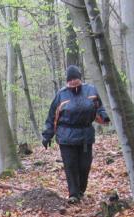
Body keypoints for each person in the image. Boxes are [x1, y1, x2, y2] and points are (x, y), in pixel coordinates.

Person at [41, 65, 110, 204]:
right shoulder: (61, 95)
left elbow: (99, 107)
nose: (73, 81)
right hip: (66, 136)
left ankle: (81, 191)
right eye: (70, 79)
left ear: (80, 78)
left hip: (85, 135)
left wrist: (104, 116)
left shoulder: (91, 90)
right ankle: (73, 194)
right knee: (71, 165)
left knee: (85, 166)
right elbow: (52, 117)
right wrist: (47, 135)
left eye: (75, 78)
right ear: (67, 81)